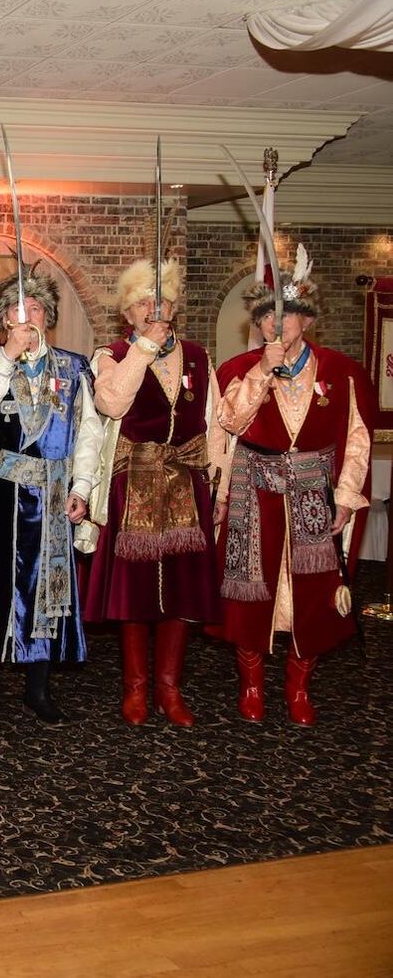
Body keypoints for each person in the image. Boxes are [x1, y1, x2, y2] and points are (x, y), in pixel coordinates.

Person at [215, 248, 371, 726]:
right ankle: (252, 684)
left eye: (286, 316)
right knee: (249, 593)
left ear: (307, 320)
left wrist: (345, 497)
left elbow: (357, 439)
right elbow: (230, 421)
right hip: (254, 491)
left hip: (313, 492)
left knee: (314, 594)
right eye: (267, 317)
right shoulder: (240, 369)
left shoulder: (341, 371)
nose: (276, 325)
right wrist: (262, 371)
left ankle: (298, 686)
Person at [84, 259, 224, 727]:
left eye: (160, 301)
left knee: (181, 591)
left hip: (187, 483)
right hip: (134, 486)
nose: (153, 309)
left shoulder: (199, 357)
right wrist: (143, 348)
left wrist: (218, 487)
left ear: (175, 308)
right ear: (127, 313)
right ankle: (136, 687)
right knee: (135, 592)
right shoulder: (111, 354)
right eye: (143, 302)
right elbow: (112, 402)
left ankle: (169, 687)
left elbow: (215, 426)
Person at [0, 270, 101, 724]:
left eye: (35, 310)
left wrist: (82, 487)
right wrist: (7, 356)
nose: (28, 319)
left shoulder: (74, 368)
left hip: (54, 495)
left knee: (47, 594)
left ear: (48, 317)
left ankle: (38, 688)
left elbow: (89, 433)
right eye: (18, 312)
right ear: (4, 321)